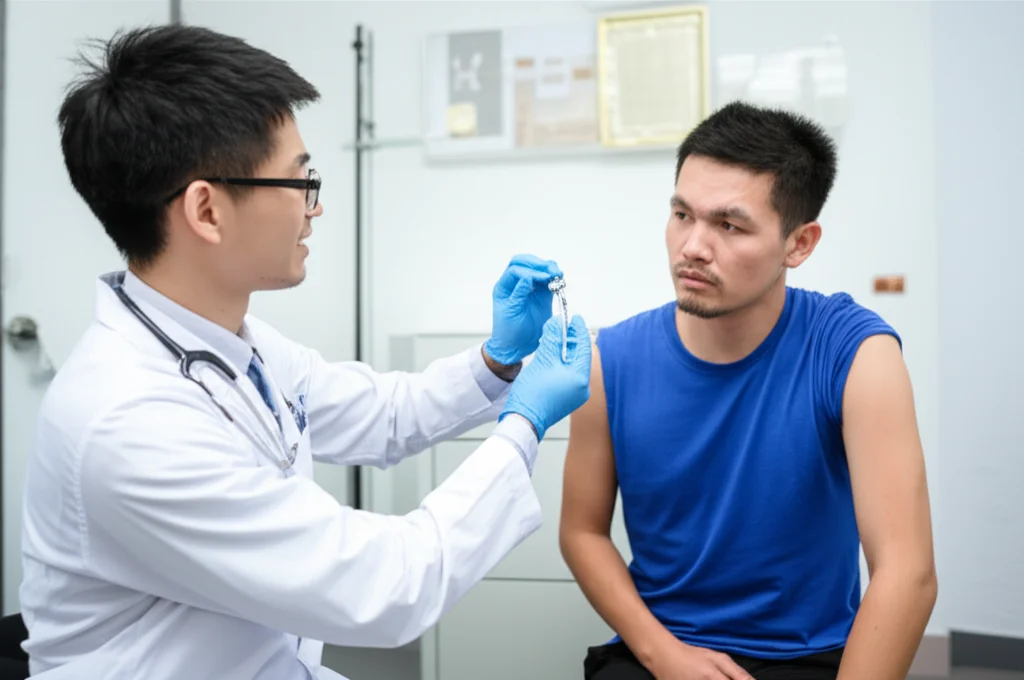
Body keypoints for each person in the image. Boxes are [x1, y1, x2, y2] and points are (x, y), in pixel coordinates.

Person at [19, 24, 592, 680]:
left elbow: (381, 414)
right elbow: (385, 586)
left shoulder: (226, 341)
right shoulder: (128, 423)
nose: (313, 209)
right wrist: (524, 425)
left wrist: (497, 360)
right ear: (207, 211)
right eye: (299, 182)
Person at [559, 101, 937, 680]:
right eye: (682, 214)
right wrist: (666, 657)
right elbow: (582, 531)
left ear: (799, 244)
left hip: (808, 657)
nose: (692, 246)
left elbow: (907, 572)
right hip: (659, 650)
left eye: (728, 225)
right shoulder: (610, 361)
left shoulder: (855, 354)